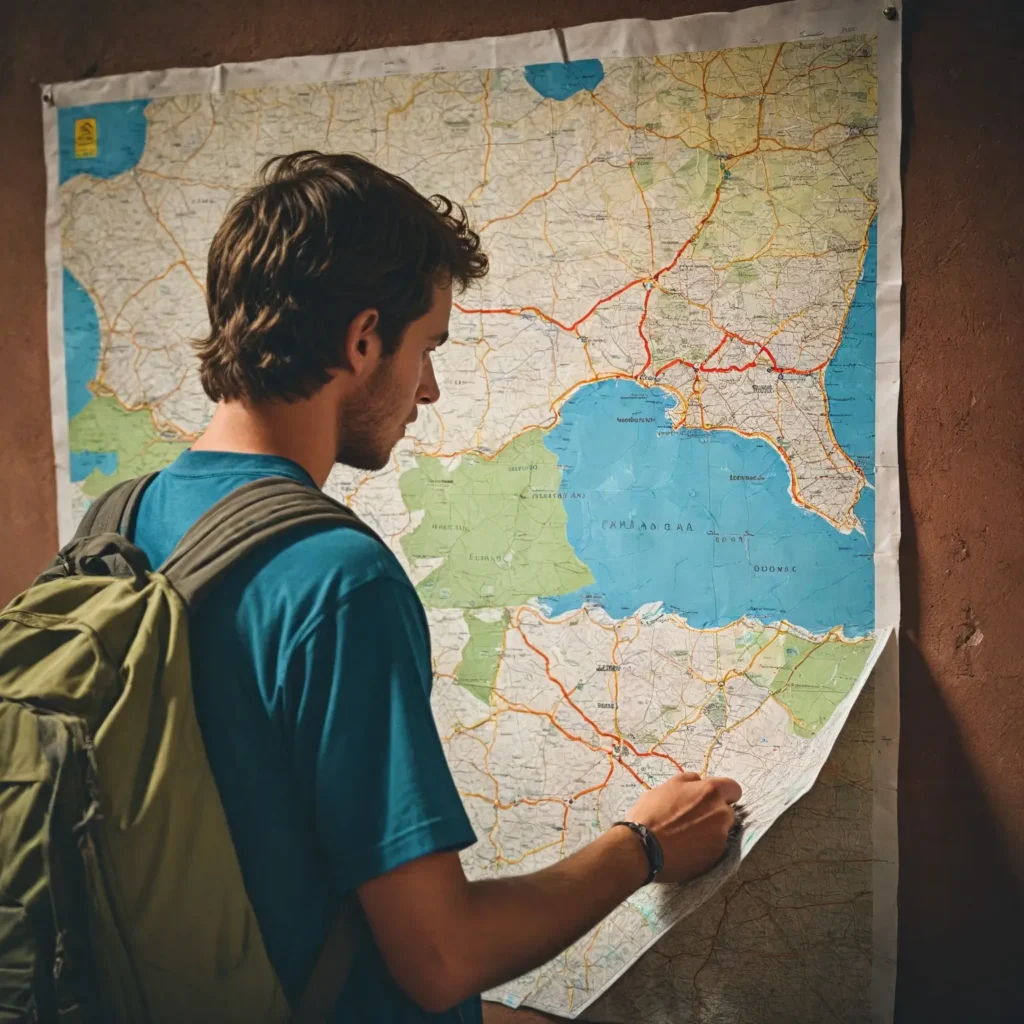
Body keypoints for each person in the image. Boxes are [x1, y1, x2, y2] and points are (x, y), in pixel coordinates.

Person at [131, 150, 742, 1023]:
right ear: (363, 338)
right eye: (427, 348)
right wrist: (644, 847)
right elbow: (440, 959)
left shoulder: (119, 526)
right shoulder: (337, 583)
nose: (429, 387)